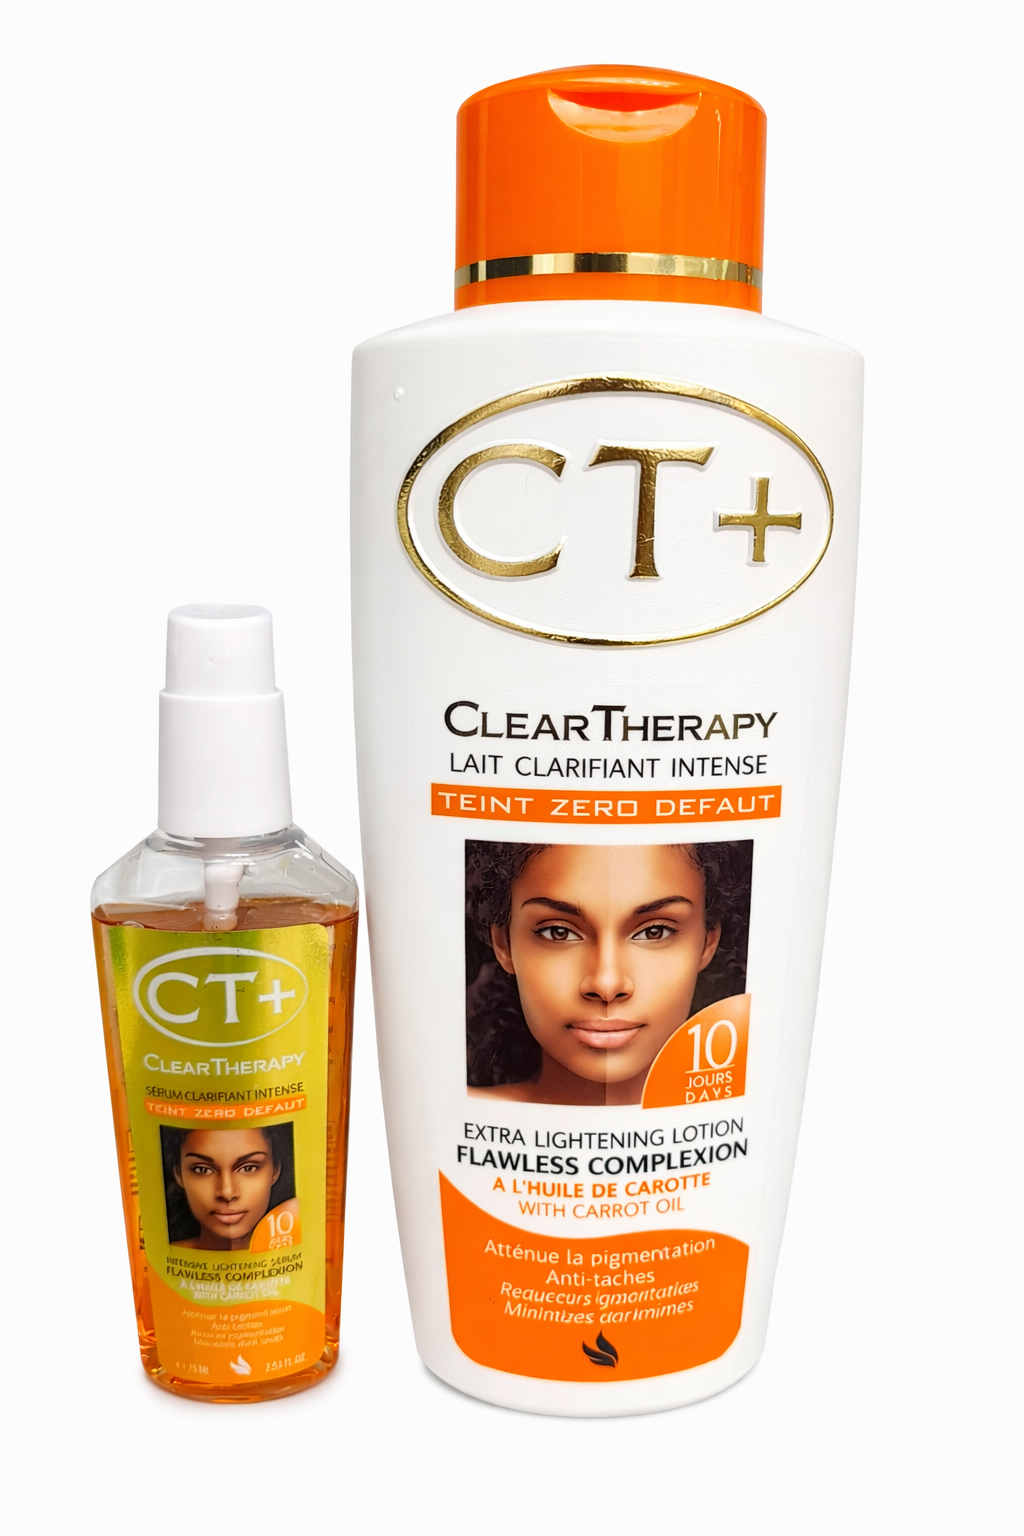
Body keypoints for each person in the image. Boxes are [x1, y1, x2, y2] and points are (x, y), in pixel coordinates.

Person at [466, 841, 751, 1105]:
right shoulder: (457, 1114)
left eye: (654, 931)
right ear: (504, 943)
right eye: (558, 932)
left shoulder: (749, 1111)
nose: (607, 984)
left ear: (707, 942)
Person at [162, 1125, 297, 1251]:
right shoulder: (159, 1258)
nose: (227, 1192)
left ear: (275, 1170)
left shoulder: (299, 1251)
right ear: (178, 1173)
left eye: (249, 1168)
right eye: (202, 1170)